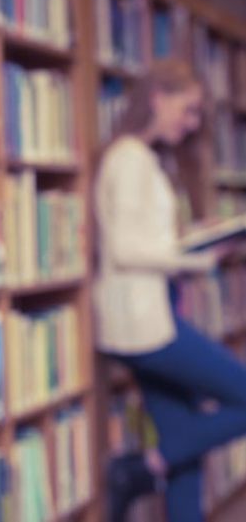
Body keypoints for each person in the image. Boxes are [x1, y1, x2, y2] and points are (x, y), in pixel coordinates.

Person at [94, 59, 246, 522]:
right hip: (142, 327)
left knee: (186, 445)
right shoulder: (128, 159)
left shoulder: (141, 159)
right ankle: (140, 468)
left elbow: (142, 239)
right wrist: (195, 256)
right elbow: (122, 248)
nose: (192, 122)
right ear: (157, 97)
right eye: (189, 109)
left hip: (150, 316)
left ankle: (154, 466)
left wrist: (196, 237)